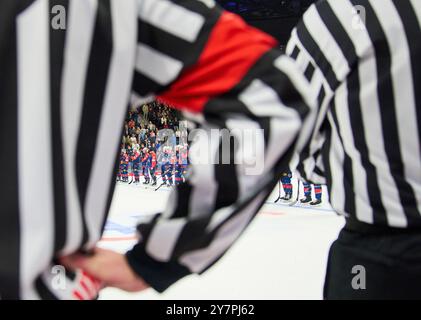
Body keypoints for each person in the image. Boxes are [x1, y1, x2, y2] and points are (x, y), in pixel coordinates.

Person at [2, 0, 420, 301]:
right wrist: (155, 260)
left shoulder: (343, 16)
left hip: (380, 249)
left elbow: (301, 136)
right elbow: (271, 100)